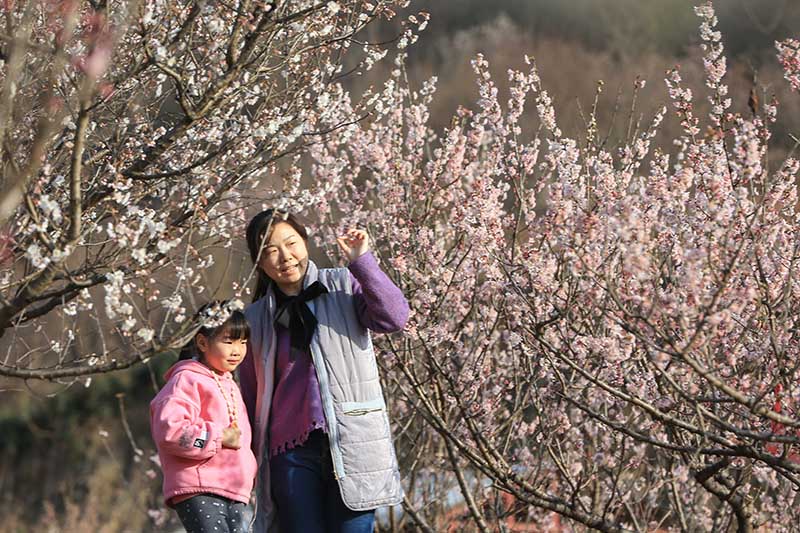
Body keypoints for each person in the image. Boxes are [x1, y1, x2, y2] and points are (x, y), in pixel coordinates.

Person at [240, 209, 409, 533]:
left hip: (352, 439)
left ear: (304, 241)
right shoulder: (255, 319)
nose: (285, 257)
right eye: (271, 251)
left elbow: (394, 317)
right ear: (260, 263)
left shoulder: (342, 285)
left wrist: (362, 261)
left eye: (291, 243)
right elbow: (250, 395)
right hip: (289, 453)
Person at [150, 302, 258, 533]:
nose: (237, 350)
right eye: (228, 341)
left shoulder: (230, 383)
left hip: (235, 488)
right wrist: (217, 437)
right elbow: (171, 431)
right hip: (200, 486)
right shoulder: (186, 380)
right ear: (202, 342)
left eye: (243, 342)